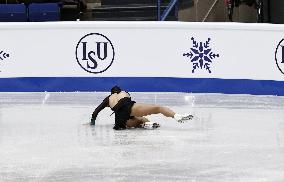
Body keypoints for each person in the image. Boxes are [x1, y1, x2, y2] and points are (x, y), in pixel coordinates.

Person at [90, 86, 193, 130]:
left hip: (120, 120)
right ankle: (176, 116)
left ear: (111, 93)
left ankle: (143, 124)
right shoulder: (124, 93)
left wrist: (92, 123)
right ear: (120, 91)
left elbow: (95, 112)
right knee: (158, 108)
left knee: (134, 121)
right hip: (130, 107)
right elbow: (126, 105)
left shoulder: (108, 98)